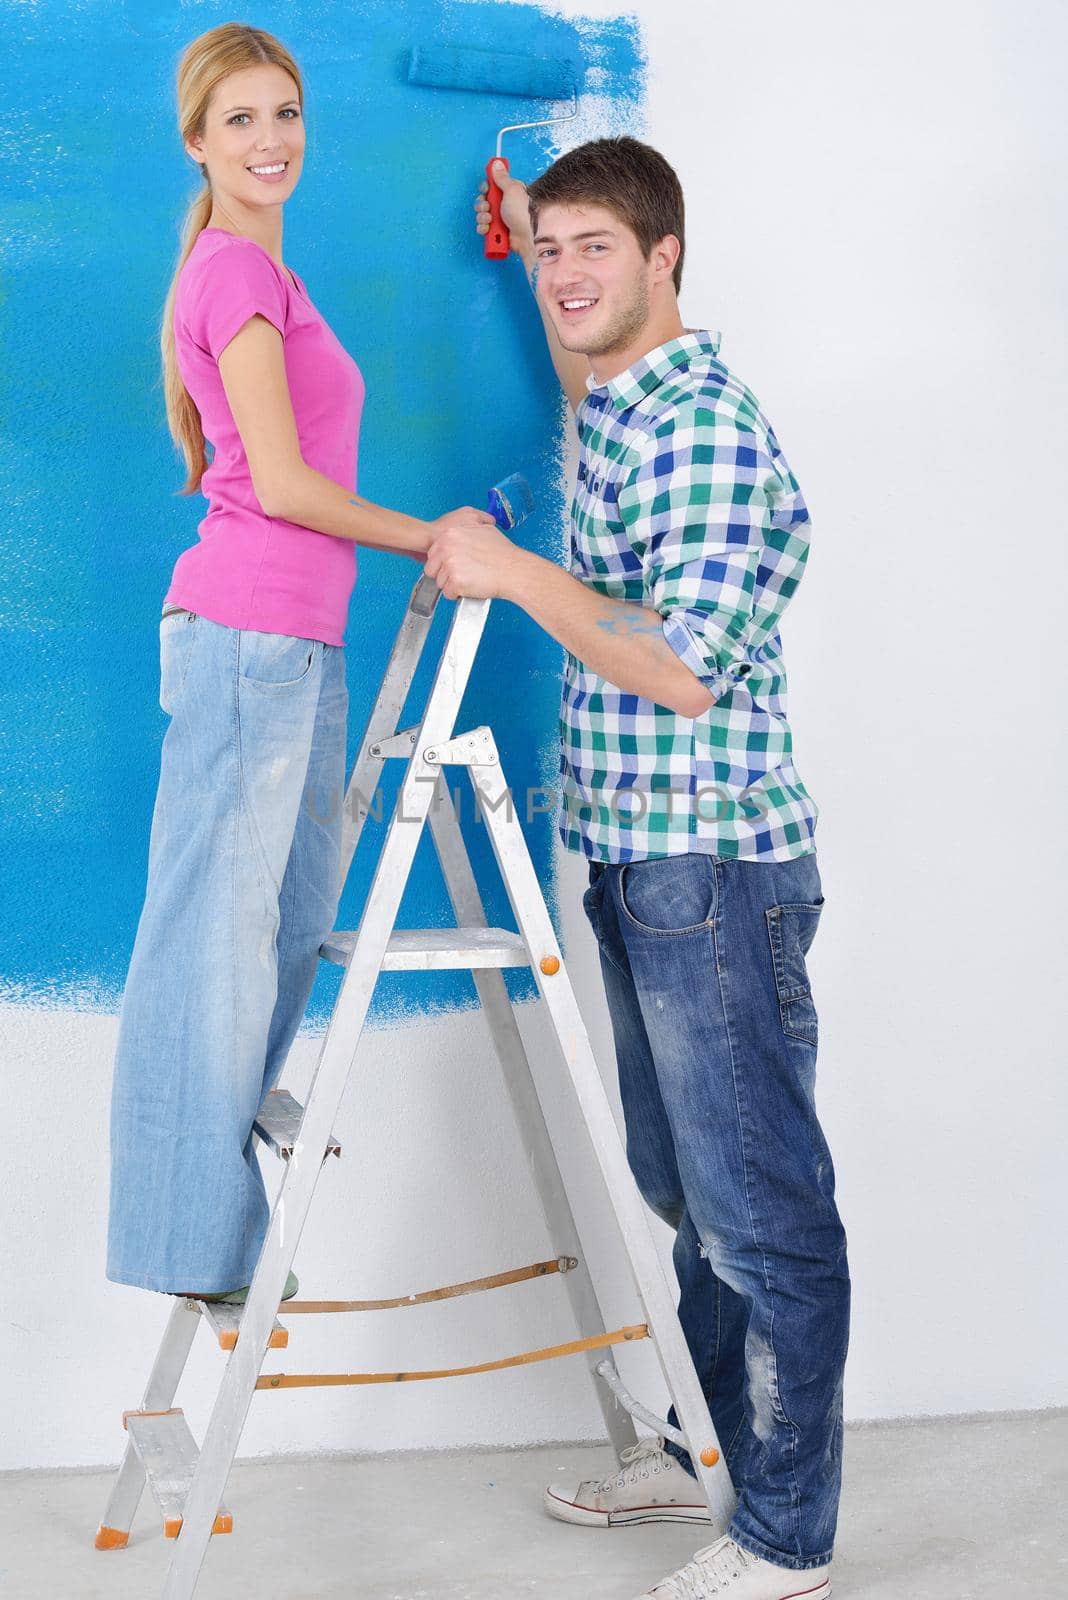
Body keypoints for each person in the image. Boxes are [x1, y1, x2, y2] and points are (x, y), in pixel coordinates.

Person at [429, 136, 849, 1600]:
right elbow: (583, 378)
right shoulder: (623, 400)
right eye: (549, 253)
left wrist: (510, 568)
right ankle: (701, 1455)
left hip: (717, 867)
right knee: (688, 1192)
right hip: (634, 858)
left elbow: (676, 670)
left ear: (667, 256)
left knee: (759, 1207)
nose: (562, 279)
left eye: (592, 249)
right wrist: (522, 232)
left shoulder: (710, 433)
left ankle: (787, 1533)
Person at [105, 22, 495, 1307]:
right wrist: (431, 536)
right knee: (210, 942)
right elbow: (278, 484)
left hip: (291, 644)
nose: (270, 140)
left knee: (275, 929)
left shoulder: (261, 273)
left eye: (285, 115)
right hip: (245, 639)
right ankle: (191, 1245)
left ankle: (206, 1218)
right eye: (239, 122)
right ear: (197, 144)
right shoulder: (234, 277)